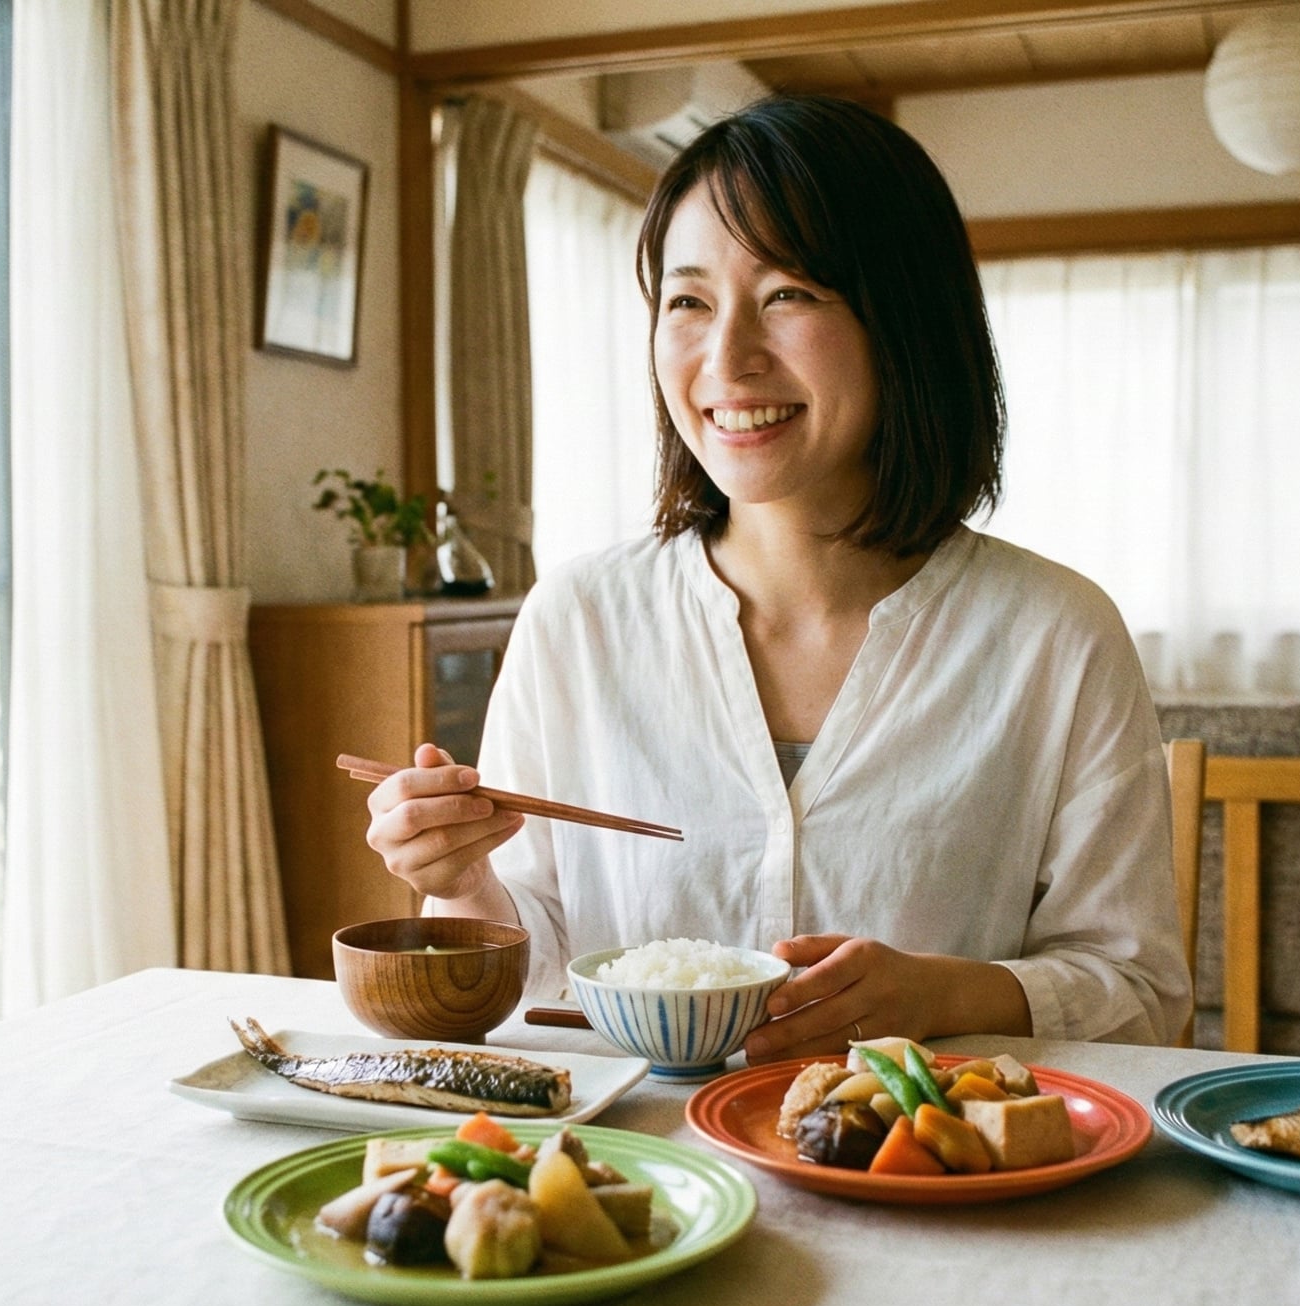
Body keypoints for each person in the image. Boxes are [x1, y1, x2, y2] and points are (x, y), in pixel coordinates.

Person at [363, 94, 1189, 1061]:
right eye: (688, 301)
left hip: (932, 1185)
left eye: (789, 294)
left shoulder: (1056, 634)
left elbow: (1141, 996)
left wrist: (938, 995)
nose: (728, 359)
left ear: (906, 320)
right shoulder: (579, 620)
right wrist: (460, 882)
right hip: (646, 1182)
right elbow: (542, 973)